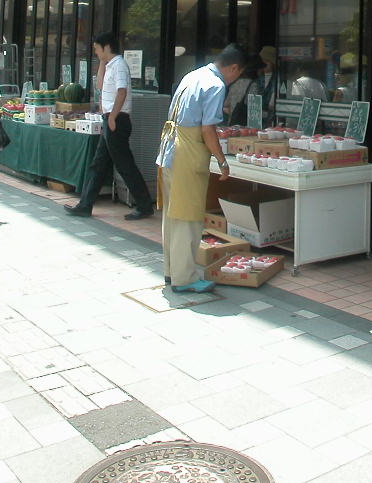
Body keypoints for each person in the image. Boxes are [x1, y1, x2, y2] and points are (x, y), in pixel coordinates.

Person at [157, 44, 246, 293]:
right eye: (237, 75)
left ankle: (172, 271)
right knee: (188, 218)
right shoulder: (216, 85)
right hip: (189, 151)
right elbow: (208, 129)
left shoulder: (192, 75)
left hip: (170, 148)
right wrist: (222, 159)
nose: (234, 79)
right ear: (234, 68)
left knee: (172, 215)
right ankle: (184, 278)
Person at [66, 32, 154, 221]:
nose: (96, 52)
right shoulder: (110, 65)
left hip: (117, 120)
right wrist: (103, 63)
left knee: (124, 165)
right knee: (99, 164)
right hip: (110, 119)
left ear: (106, 47)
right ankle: (85, 204)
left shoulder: (120, 66)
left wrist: (112, 117)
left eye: (97, 49)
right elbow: (99, 85)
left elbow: (121, 92)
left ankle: (144, 205)